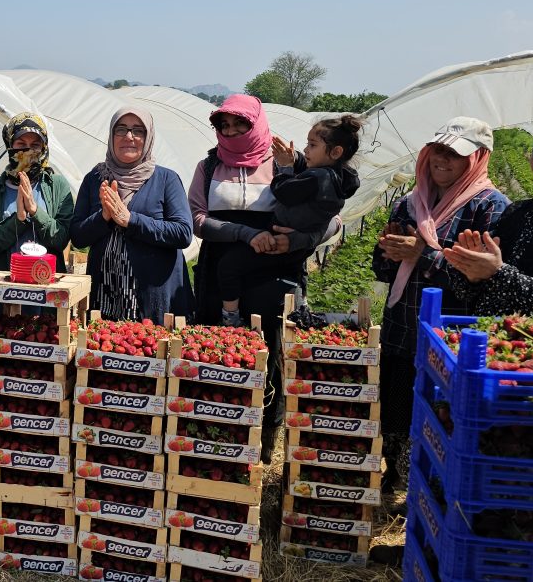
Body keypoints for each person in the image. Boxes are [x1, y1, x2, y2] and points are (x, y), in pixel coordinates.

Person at [188, 94, 337, 463]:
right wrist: (243, 234)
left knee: (271, 350)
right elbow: (198, 219)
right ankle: (218, 433)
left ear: (257, 124)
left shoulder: (287, 165)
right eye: (225, 125)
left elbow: (330, 218)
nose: (232, 131)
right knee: (219, 349)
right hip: (221, 269)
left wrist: (297, 240)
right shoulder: (209, 166)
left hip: (276, 268)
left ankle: (267, 433)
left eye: (241, 124)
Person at [371, 117, 508, 494]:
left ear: (478, 158)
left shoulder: (490, 209)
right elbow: (381, 269)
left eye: (454, 154)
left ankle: (428, 481)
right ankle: (396, 475)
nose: (441, 160)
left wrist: (424, 255)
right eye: (438, 151)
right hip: (402, 326)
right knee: (397, 405)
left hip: (451, 337)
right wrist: (390, 251)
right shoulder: (410, 203)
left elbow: (479, 282)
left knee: (438, 412)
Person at [218, 116, 362, 327]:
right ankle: (301, 307)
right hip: (300, 245)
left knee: (229, 265)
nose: (305, 150)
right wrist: (296, 160)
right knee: (296, 273)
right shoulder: (342, 178)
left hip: (279, 241)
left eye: (312, 145)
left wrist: (285, 168)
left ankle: (230, 319)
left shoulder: (317, 178)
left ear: (336, 152)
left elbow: (283, 192)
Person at [70, 106, 193, 321]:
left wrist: (130, 220)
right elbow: (78, 237)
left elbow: (183, 233)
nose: (129, 136)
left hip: (152, 300)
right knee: (103, 351)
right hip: (105, 297)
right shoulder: (95, 178)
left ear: (148, 137)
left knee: (149, 350)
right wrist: (104, 217)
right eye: (121, 129)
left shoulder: (166, 179)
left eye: (138, 130)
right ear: (111, 135)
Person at [445, 113, 533, 315]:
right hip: (490, 339)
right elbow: (470, 293)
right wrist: (472, 273)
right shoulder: (518, 212)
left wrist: (498, 273)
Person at [0, 112, 74, 272]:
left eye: (35, 145)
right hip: (6, 286)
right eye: (21, 143)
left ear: (44, 147)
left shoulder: (57, 185)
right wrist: (19, 219)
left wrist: (35, 211)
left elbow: (61, 239)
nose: (28, 150)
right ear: (10, 145)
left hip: (46, 284)